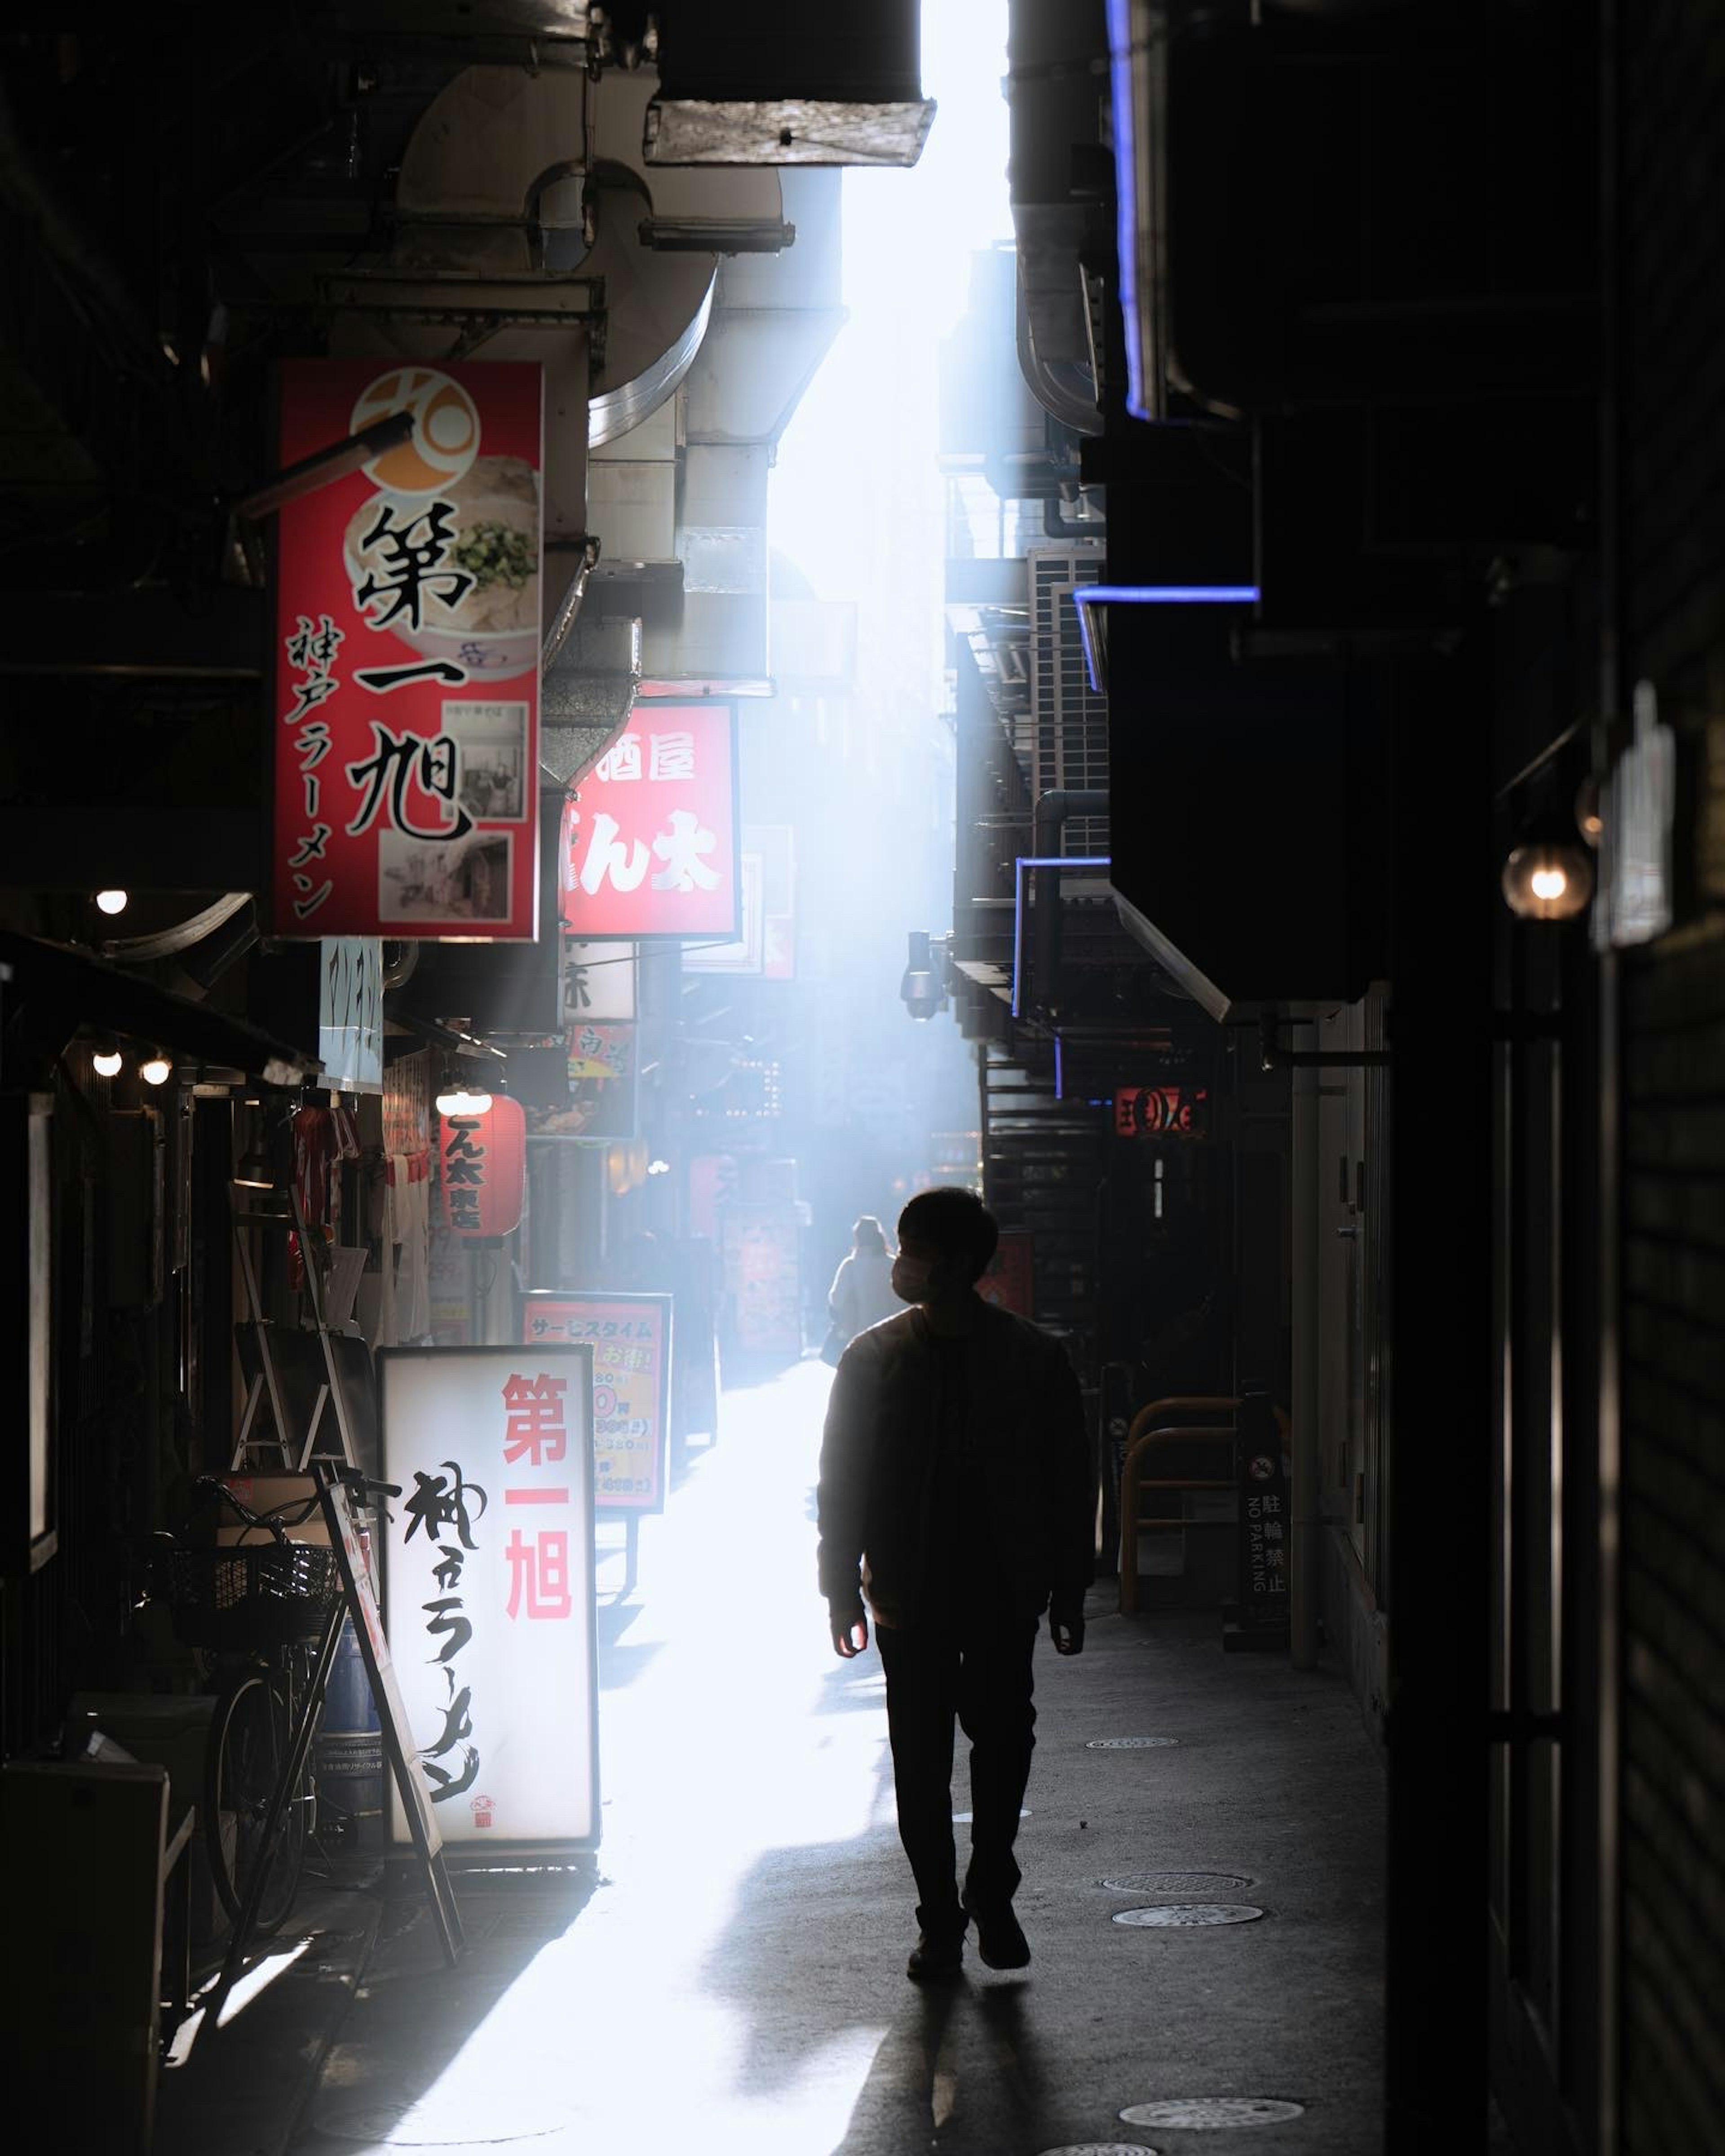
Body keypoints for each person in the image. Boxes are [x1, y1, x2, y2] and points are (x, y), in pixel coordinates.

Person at [816, 1186, 1093, 1981]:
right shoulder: (870, 1361)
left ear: (962, 1265)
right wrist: (840, 1588)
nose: (903, 1264)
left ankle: (989, 1889)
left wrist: (1070, 1589)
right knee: (921, 1758)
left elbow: (1070, 1485)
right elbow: (842, 1484)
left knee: (1003, 1743)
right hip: (909, 1591)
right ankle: (941, 1918)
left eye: (917, 1251)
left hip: (1005, 1588)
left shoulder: (1034, 1360)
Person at [826, 1215, 899, 1347]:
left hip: (859, 1335)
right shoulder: (893, 1264)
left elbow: (837, 1300)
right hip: (890, 1334)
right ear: (880, 1237)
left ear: (857, 1238)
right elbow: (902, 1301)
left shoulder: (850, 1266)